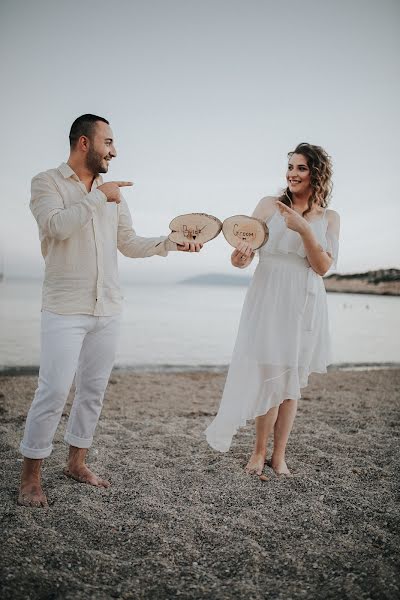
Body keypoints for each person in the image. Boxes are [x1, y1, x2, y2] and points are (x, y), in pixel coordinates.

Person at [19, 114, 202, 507]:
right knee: (52, 391)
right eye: (109, 142)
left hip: (108, 307)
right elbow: (56, 227)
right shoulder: (46, 182)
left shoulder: (111, 193)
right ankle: (30, 477)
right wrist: (100, 196)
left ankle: (76, 462)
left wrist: (170, 243)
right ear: (84, 143)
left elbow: (129, 243)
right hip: (64, 308)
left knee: (93, 391)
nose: (114, 151)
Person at [205, 143, 340, 476]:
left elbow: (322, 266)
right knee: (269, 375)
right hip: (267, 295)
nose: (292, 174)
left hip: (304, 300)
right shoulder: (269, 205)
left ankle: (279, 456)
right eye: (291, 167)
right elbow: (243, 252)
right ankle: (258, 451)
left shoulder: (329, 218)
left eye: (301, 168)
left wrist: (305, 229)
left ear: (317, 173)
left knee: (290, 380)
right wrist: (239, 258)